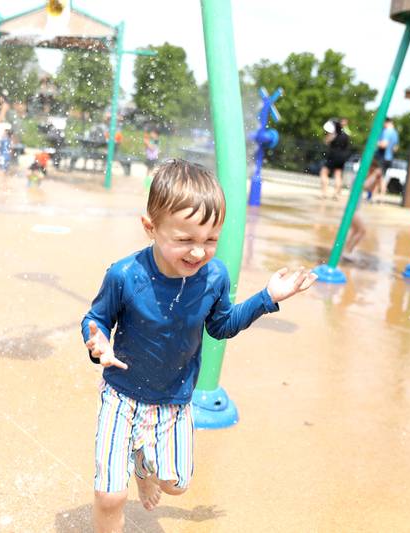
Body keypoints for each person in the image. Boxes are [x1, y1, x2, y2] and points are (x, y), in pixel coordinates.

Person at [81, 159, 317, 532]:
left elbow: (222, 326)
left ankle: (144, 466)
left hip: (174, 399)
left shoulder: (214, 277)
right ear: (151, 227)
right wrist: (97, 341)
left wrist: (267, 297)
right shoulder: (125, 275)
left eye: (210, 240)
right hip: (121, 394)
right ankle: (128, 474)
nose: (197, 252)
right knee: (109, 495)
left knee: (176, 484)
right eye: (185, 240)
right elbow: (95, 319)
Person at [365, 117, 399, 202]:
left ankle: (371, 194)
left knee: (378, 177)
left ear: (386, 122)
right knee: (381, 177)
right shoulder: (395, 133)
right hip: (389, 158)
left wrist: (373, 142)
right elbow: (395, 148)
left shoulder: (387, 131)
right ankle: (377, 197)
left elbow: (384, 144)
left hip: (382, 157)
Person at [320, 119, 351, 200]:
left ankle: (324, 193)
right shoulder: (346, 135)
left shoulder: (334, 133)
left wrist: (329, 136)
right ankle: (336, 195)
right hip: (342, 157)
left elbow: (326, 141)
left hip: (333, 156)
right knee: (338, 175)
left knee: (324, 173)